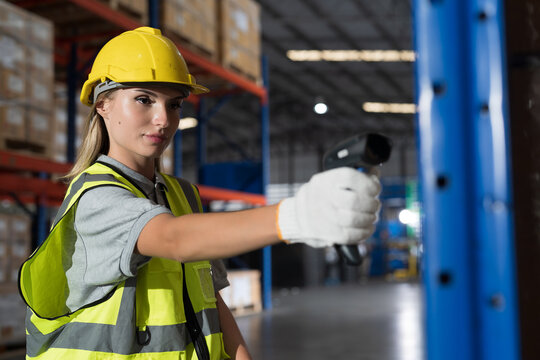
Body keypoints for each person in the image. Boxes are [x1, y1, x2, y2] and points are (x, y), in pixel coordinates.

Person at [18, 27, 381, 360]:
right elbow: (174, 239)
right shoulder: (95, 197)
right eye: (144, 99)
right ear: (103, 104)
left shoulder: (181, 195)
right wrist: (297, 216)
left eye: (174, 104)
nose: (163, 119)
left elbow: (211, 301)